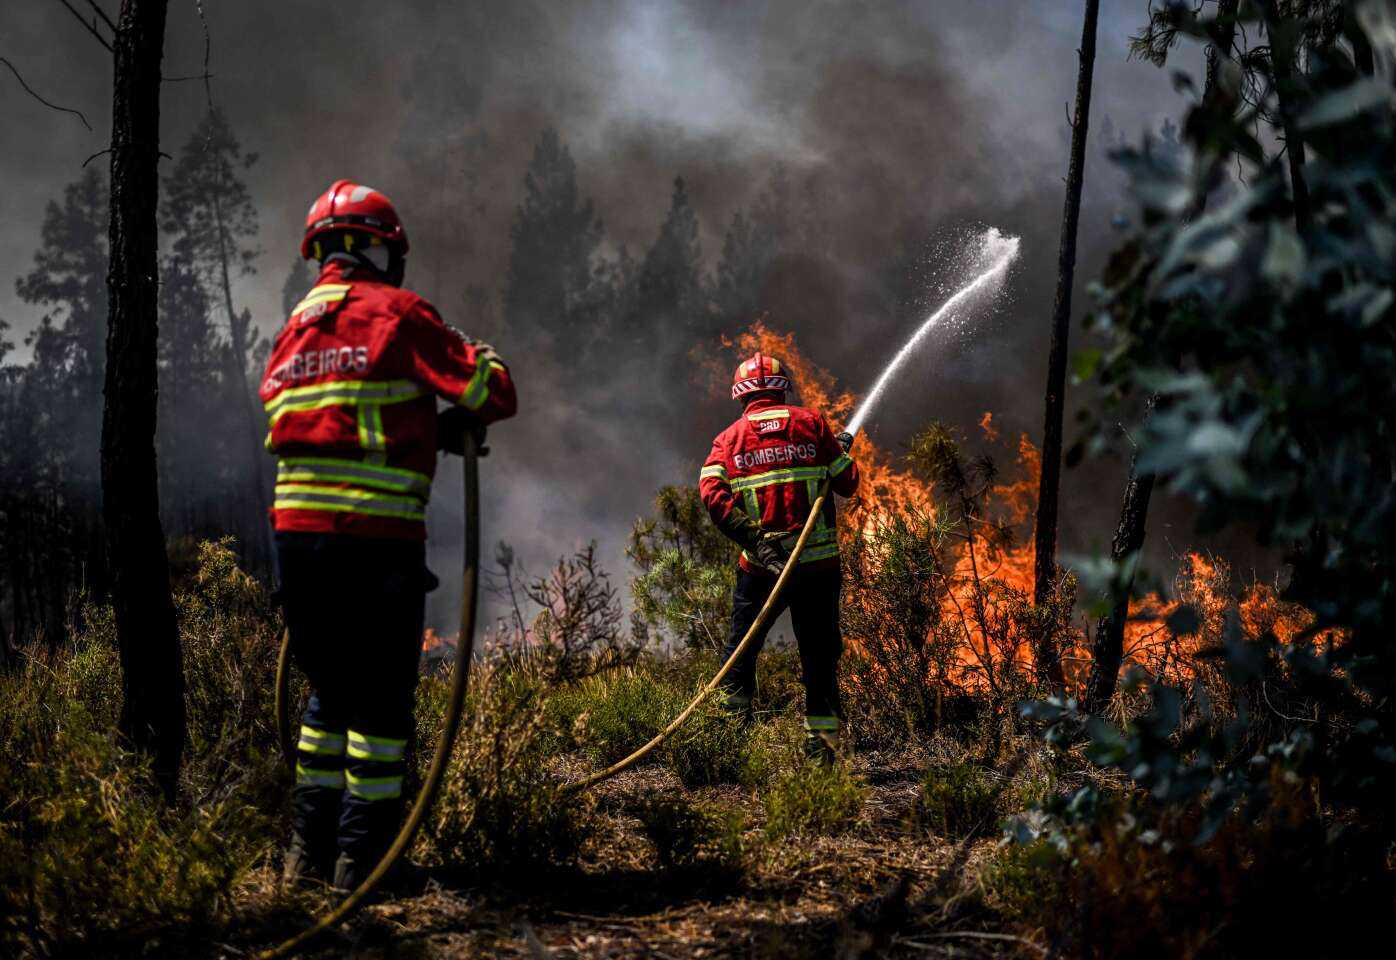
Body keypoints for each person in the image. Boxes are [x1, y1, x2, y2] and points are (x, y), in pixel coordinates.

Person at [260, 180, 517, 889]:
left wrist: (424, 430)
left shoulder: (292, 331)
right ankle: (365, 863)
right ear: (378, 249)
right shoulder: (398, 314)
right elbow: (493, 393)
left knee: (328, 694)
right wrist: (479, 360)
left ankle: (306, 856)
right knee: (379, 704)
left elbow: (336, 425)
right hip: (373, 544)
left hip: (297, 545)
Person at [698, 352, 859, 762]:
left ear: (740, 396)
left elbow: (712, 496)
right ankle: (821, 756)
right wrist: (837, 453)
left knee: (740, 655)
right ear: (783, 389)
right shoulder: (812, 425)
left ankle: (728, 746)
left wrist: (756, 540)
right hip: (818, 570)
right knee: (820, 659)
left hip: (760, 570)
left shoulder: (728, 441)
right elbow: (847, 483)